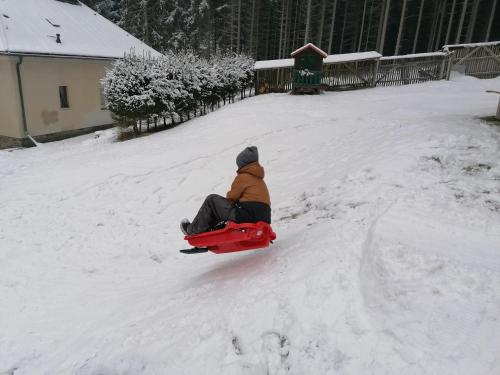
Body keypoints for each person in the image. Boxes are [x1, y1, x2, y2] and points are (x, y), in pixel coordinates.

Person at [180, 146, 271, 236]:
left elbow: (231, 198)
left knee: (212, 200)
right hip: (264, 218)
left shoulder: (243, 177)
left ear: (243, 164)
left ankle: (192, 230)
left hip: (246, 216)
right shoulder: (260, 180)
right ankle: (209, 228)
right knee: (224, 209)